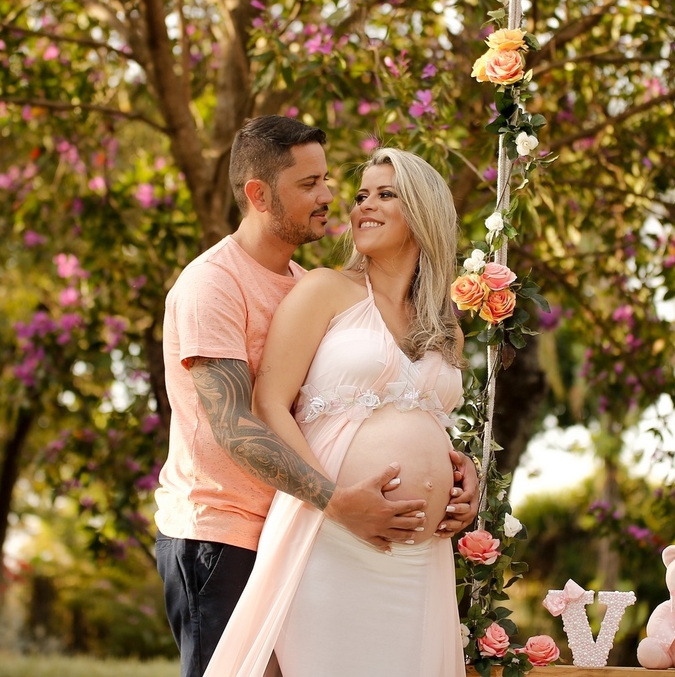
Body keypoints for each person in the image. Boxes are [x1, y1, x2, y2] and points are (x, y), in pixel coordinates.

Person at [154, 118, 479, 677]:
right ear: (259, 194)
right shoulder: (215, 283)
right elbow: (239, 420)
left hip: (325, 526)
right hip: (225, 530)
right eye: (311, 184)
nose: (332, 198)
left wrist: (457, 468)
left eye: (330, 181)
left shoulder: (302, 280)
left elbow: (396, 411)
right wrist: (334, 501)